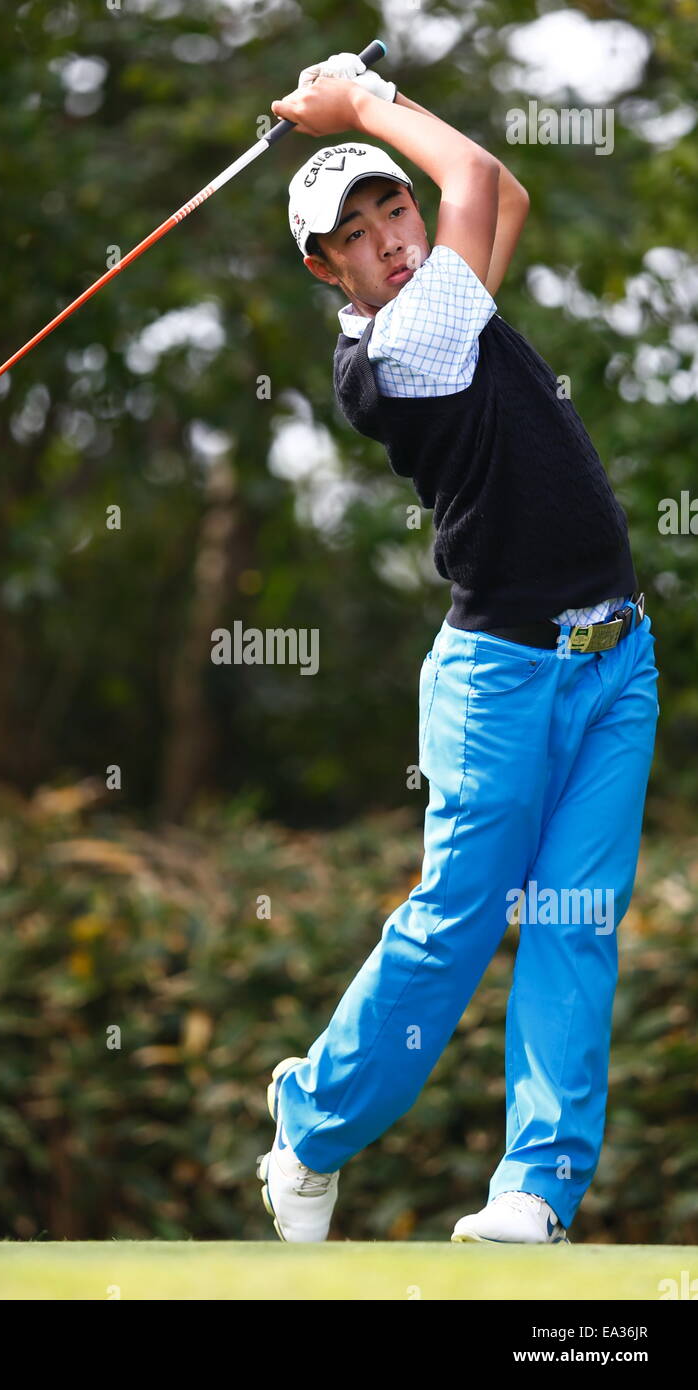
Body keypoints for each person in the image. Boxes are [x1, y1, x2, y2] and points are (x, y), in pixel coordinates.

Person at [255, 52, 660, 1244]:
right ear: (324, 268)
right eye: (356, 230)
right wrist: (357, 103)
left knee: (574, 918)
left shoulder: (447, 289)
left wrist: (371, 119)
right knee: (457, 922)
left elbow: (499, 199)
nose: (388, 233)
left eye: (394, 204)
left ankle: (534, 1191)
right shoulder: (392, 354)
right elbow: (477, 172)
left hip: (611, 659)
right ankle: (309, 1122)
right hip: (499, 680)